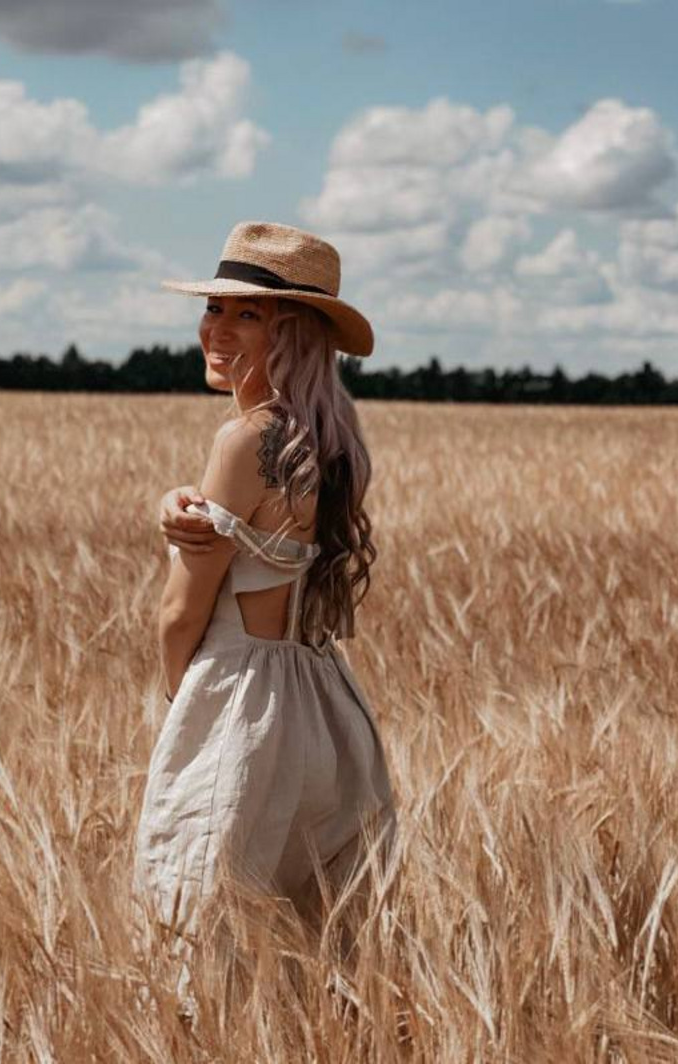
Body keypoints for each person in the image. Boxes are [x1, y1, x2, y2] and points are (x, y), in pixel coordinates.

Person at [132, 221, 397, 947]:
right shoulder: (337, 444)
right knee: (321, 954)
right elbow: (279, 541)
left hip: (243, 706)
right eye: (215, 308)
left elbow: (181, 611)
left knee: (202, 946)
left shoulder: (243, 440)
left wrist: (179, 701)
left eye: (248, 314)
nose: (217, 328)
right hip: (331, 714)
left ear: (297, 335)